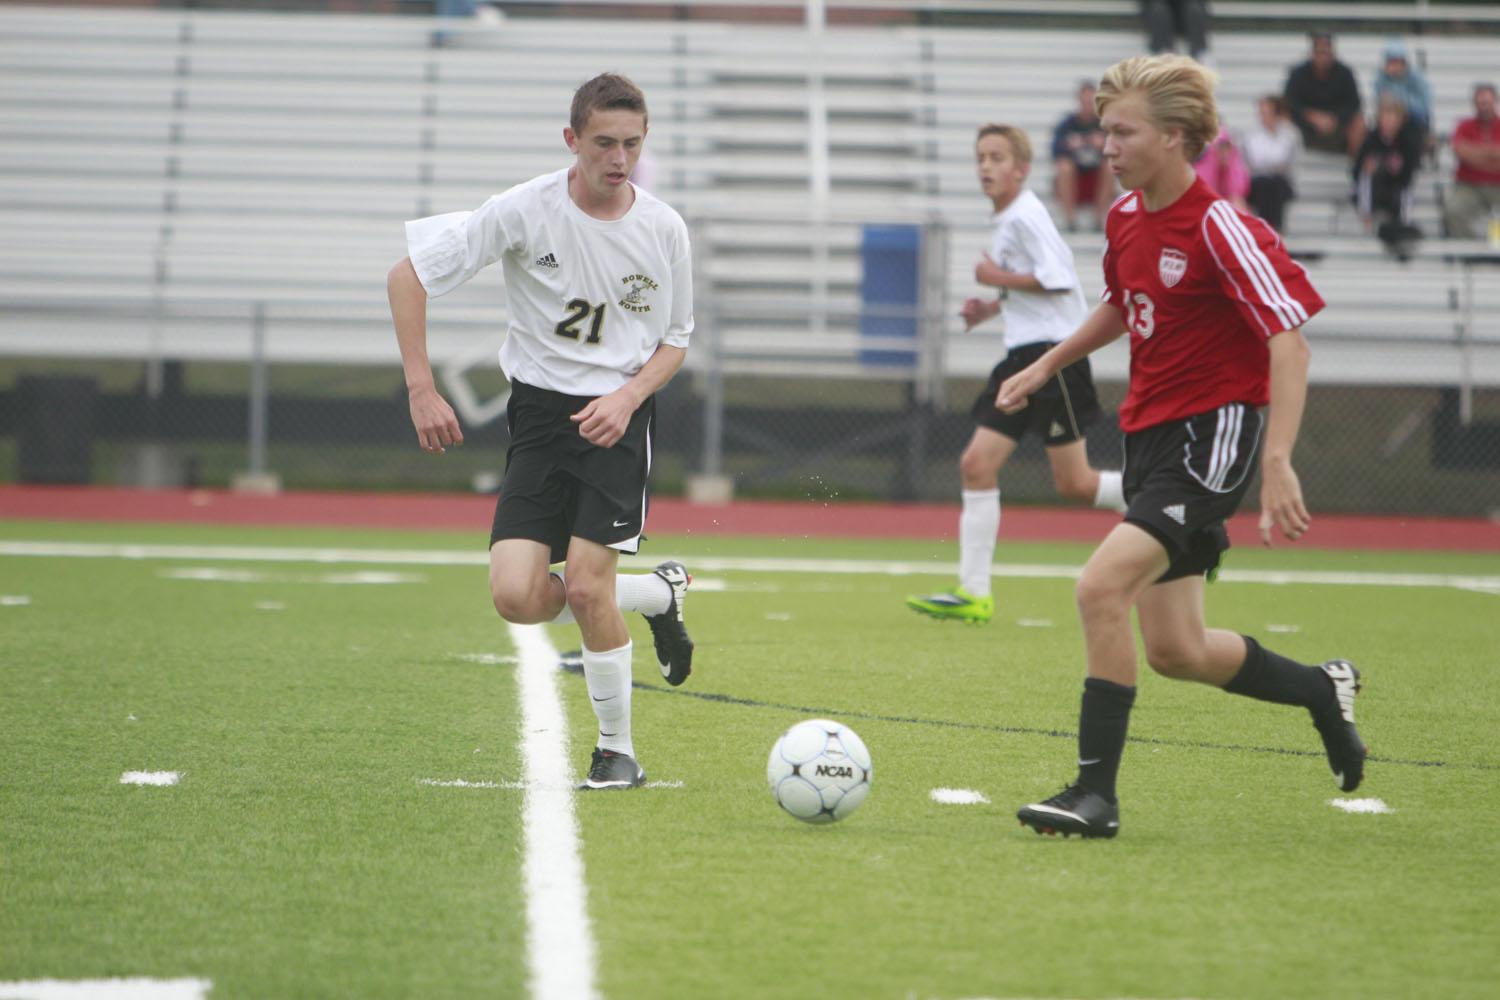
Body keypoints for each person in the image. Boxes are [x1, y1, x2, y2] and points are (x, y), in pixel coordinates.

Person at [997, 54, 1365, 839]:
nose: (1107, 145)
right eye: (1104, 129)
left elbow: (1289, 346)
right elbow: (1124, 305)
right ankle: (1321, 689)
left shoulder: (1221, 224)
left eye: (1121, 131)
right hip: (1150, 438)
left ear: (1173, 136)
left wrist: (1276, 460)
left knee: (1099, 590)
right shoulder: (1127, 218)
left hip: (1213, 435)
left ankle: (1094, 796)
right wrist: (1047, 363)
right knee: (1177, 649)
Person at [386, 73, 696, 792]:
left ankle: (616, 749)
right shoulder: (524, 209)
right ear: (572, 141)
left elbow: (675, 341)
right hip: (538, 419)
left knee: (588, 589)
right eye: (603, 143)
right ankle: (655, 596)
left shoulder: (664, 229)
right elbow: (407, 277)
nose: (619, 159)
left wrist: (627, 398)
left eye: (632, 144)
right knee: (516, 596)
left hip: (618, 421)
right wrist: (421, 386)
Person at [907, 125, 1125, 626]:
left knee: (1075, 483)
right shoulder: (1008, 217)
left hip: (1055, 358)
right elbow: (1034, 287)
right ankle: (973, 593)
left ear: (1021, 169)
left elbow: (1059, 280)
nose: (985, 166)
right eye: (980, 156)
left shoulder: (1026, 214)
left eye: (997, 157)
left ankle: (1171, 506)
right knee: (976, 465)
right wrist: (990, 306)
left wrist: (995, 279)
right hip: (1021, 357)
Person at [1353, 96, 1424, 251]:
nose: (1389, 123)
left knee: (1401, 192)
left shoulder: (1407, 141)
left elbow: (1408, 176)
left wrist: (1397, 168)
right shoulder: (1370, 140)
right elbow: (1358, 172)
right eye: (1386, 118)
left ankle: (1401, 224)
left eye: (1394, 119)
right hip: (1374, 191)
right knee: (1370, 172)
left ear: (1401, 121)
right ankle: (1369, 215)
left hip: (1396, 191)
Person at [1284, 33, 1366, 158]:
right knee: (1283, 119)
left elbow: (1354, 103)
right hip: (1305, 126)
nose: (1323, 58)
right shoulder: (1298, 74)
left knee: (1360, 123)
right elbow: (1289, 101)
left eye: (1326, 53)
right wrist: (1311, 116)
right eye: (1319, 53)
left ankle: (1356, 169)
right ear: (1312, 54)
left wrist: (1334, 119)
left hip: (1338, 126)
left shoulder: (1345, 73)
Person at [1052, 81, 1115, 232]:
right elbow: (1055, 150)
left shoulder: (1104, 124)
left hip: (1097, 178)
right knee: (1064, 167)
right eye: (1084, 101)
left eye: (1090, 102)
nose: (1087, 105)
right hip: (1074, 178)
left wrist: (1103, 145)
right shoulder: (1067, 125)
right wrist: (1069, 146)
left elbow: (1117, 149)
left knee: (1110, 166)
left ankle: (1099, 218)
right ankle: (1070, 219)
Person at [1444, 82, 1500, 239]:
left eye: (1487, 102)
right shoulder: (1463, 126)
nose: (1484, 107)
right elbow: (1461, 153)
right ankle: (1474, 251)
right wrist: (1492, 155)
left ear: (1495, 102)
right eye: (1480, 103)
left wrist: (1475, 154)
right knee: (1452, 211)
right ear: (1474, 104)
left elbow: (1469, 155)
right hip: (1469, 187)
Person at [1243, 94, 1299, 232]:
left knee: (1274, 184)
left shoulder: (1290, 133)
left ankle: (1272, 227)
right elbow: (1254, 160)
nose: (1262, 116)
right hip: (1259, 182)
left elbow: (1287, 161)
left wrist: (1268, 165)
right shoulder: (1252, 133)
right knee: (1265, 184)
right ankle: (1270, 227)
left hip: (1280, 182)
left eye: (1266, 112)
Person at [1372, 38, 1433, 146]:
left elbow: (1424, 107)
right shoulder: (1381, 78)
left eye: (1398, 61)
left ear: (1404, 62)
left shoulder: (1416, 78)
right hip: (1388, 120)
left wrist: (1401, 103)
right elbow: (1380, 101)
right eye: (1391, 61)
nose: (1395, 66)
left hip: (1414, 120)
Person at [1193, 125, 1249, 210]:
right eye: (1220, 148)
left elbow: (1237, 197)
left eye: (1227, 147)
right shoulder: (1201, 171)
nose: (1224, 153)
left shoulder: (1236, 167)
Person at [1139, 0, 1211, 63]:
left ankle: (1199, 52)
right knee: (1158, 10)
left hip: (1186, 11)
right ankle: (1164, 53)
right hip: (1159, 9)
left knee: (1195, 10)